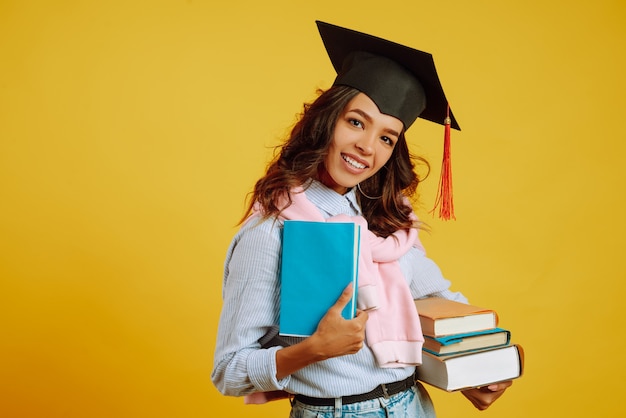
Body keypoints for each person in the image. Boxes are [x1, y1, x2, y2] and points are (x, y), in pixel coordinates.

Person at [212, 21, 512, 417]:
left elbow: (438, 301)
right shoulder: (272, 232)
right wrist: (313, 350)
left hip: (416, 406)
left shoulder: (388, 225)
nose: (367, 147)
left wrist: (486, 364)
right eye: (356, 122)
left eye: (387, 137)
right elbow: (229, 371)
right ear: (327, 120)